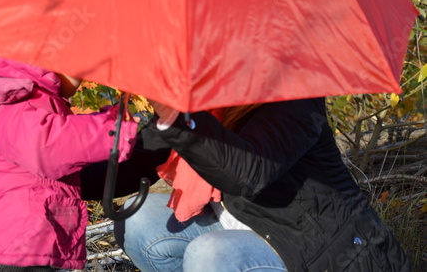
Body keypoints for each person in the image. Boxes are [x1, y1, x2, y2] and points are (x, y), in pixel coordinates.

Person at [114, 98, 411, 272]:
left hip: (323, 253)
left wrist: (176, 118)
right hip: (244, 230)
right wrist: (71, 167)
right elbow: (140, 159)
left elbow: (247, 173)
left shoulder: (294, 95)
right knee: (137, 219)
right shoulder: (207, 95)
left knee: (210, 254)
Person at [0, 55, 139, 271]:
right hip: (13, 244)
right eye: (77, 65)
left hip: (3, 241)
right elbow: (49, 147)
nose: (83, 76)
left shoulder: (14, 93)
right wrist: (114, 130)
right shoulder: (21, 99)